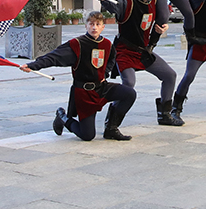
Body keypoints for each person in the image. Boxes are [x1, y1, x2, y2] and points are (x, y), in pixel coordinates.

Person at [22, 12, 135, 142]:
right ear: (86, 25)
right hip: (84, 93)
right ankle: (63, 118)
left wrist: (105, 74)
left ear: (103, 27)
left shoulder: (107, 44)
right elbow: (54, 57)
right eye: (91, 24)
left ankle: (111, 128)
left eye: (98, 24)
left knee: (129, 94)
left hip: (102, 88)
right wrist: (33, 65)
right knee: (87, 135)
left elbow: (111, 59)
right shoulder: (77, 44)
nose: (94, 28)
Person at [90, 0, 182, 127]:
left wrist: (162, 28)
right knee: (129, 84)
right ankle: (111, 123)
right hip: (124, 51)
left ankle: (164, 115)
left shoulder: (153, 1)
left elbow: (160, 18)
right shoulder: (128, 2)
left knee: (170, 75)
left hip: (143, 51)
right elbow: (115, 2)